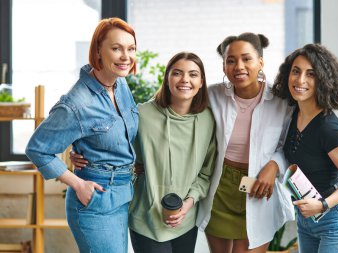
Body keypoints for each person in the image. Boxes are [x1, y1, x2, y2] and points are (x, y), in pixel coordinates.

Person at [71, 52, 217, 253]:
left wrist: (188, 204)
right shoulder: (142, 114)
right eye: (177, 73)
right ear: (167, 79)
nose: (185, 79)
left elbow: (205, 174)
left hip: (185, 220)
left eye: (193, 74)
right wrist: (78, 150)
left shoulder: (208, 120)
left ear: (201, 82)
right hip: (146, 219)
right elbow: (107, 137)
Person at [25, 17, 138, 253]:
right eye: (116, 48)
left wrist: (73, 148)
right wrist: (77, 184)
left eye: (131, 48)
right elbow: (37, 148)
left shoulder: (120, 85)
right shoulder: (77, 102)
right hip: (95, 198)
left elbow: (104, 135)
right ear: (98, 50)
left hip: (122, 193)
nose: (126, 56)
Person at [196, 33, 295, 253]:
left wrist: (274, 165)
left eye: (246, 59)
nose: (238, 66)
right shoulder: (211, 95)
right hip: (220, 189)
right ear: (223, 66)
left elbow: (292, 144)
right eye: (231, 60)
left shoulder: (283, 102)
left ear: (260, 62)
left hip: (258, 186)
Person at [272, 43, 338, 253]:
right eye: (296, 71)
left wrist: (322, 204)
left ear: (322, 80)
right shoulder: (293, 114)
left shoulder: (328, 127)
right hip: (307, 222)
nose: (300, 80)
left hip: (336, 222)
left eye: (310, 74)